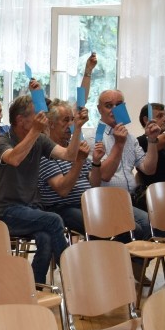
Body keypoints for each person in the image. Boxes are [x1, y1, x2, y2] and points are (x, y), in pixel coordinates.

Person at [0, 85, 88, 284]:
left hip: (31, 208)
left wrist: (77, 127)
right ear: (20, 120)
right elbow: (15, 159)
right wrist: (35, 132)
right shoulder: (2, 141)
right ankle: (74, 278)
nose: (42, 119)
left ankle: (36, 284)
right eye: (37, 116)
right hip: (7, 211)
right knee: (53, 221)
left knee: (45, 237)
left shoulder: (40, 139)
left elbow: (69, 155)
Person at [93, 89, 161, 240]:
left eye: (118, 105)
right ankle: (122, 260)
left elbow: (149, 169)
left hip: (130, 200)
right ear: (99, 109)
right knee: (142, 228)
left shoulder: (130, 137)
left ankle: (133, 263)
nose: (114, 110)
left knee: (160, 224)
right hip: (105, 202)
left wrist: (152, 141)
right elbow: (104, 175)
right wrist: (118, 144)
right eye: (108, 106)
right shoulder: (95, 135)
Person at [37, 100, 101, 235]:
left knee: (133, 227)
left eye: (72, 120)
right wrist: (79, 161)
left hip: (87, 203)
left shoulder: (75, 147)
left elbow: (94, 184)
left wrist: (96, 161)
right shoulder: (45, 151)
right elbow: (63, 190)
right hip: (61, 208)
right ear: (51, 124)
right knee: (101, 228)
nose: (71, 125)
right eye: (65, 120)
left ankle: (121, 255)